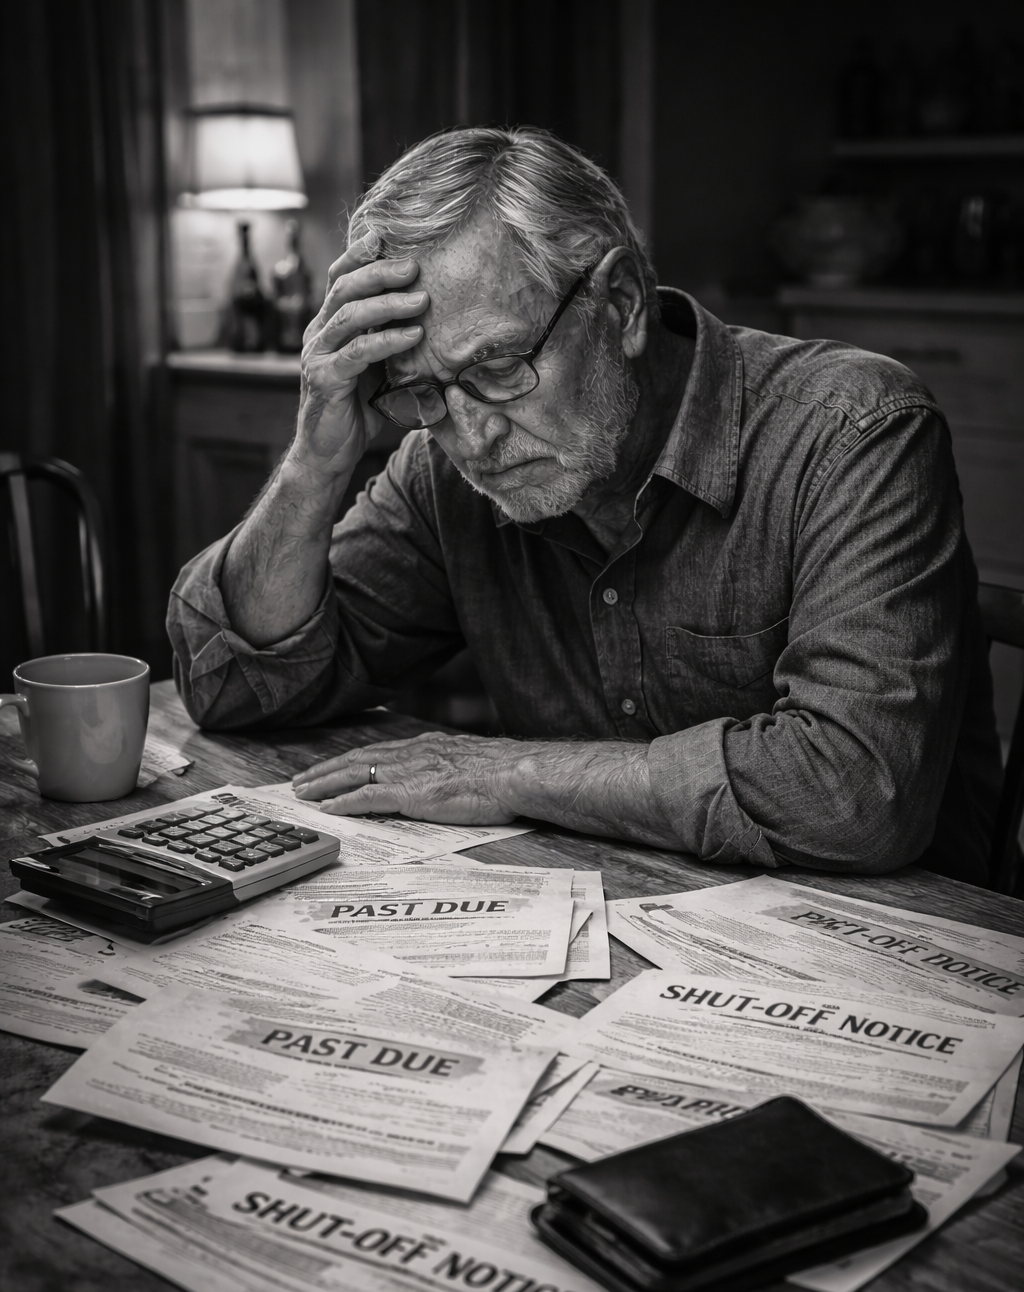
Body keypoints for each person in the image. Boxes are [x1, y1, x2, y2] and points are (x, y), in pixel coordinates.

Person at [168, 126, 1001, 884]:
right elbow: (237, 685)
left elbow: (856, 794)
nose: (473, 437)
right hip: (608, 925)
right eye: (421, 390)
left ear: (624, 303)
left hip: (895, 950)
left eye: (500, 367)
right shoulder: (442, 464)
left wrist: (508, 773)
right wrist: (317, 457)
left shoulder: (854, 431)